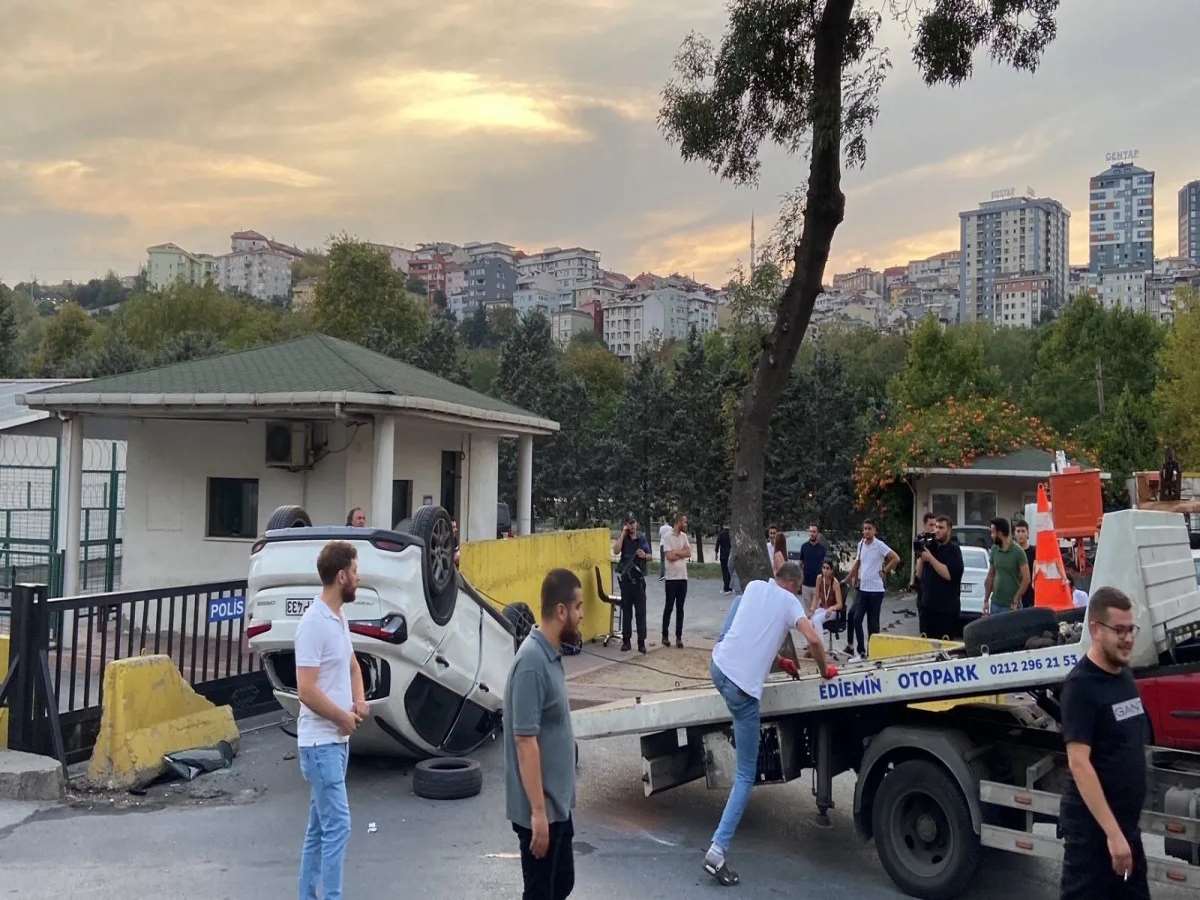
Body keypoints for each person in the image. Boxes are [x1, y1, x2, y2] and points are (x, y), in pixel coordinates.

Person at [703, 563, 836, 886]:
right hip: (743, 691)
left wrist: (778, 661)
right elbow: (813, 639)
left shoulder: (753, 588)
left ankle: (719, 847)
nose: (797, 596)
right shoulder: (790, 601)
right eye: (798, 590)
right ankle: (717, 851)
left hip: (718, 668)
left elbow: (752, 630)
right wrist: (824, 671)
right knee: (745, 775)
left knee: (735, 623)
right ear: (793, 584)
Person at [1059, 587, 1149, 900]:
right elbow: (1079, 764)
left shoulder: (1123, 676)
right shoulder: (1080, 686)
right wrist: (1113, 835)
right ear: (1096, 629)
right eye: (1119, 630)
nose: (1128, 638)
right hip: (1093, 835)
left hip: (1126, 829)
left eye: (1131, 629)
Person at [505, 568, 584, 900]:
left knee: (562, 884)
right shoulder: (532, 663)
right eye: (578, 607)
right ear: (561, 611)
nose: (582, 615)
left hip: (557, 806)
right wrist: (538, 814)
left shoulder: (551, 654)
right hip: (541, 812)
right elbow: (525, 742)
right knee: (541, 893)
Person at [294, 540, 367, 900]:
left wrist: (359, 700)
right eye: (355, 571)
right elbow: (306, 690)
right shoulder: (313, 624)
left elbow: (352, 665)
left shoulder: (338, 618)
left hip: (336, 742)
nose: (358, 577)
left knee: (319, 829)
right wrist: (342, 717)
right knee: (338, 825)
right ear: (341, 576)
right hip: (319, 744)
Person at [844, 519, 900, 661]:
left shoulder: (879, 545)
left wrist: (885, 570)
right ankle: (861, 652)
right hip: (863, 588)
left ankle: (873, 653)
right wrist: (850, 577)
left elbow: (895, 558)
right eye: (864, 529)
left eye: (869, 528)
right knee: (856, 618)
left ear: (874, 530)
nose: (866, 531)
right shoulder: (861, 544)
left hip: (876, 590)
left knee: (873, 623)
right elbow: (858, 562)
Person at [917, 515, 964, 639]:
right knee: (925, 645)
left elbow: (949, 575)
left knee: (945, 645)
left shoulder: (954, 550)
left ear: (949, 530)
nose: (937, 530)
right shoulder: (931, 547)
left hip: (946, 610)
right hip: (927, 608)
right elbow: (919, 574)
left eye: (941, 528)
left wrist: (931, 559)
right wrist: (921, 555)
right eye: (936, 527)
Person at [612, 515, 651, 653]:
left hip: (638, 582)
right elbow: (616, 550)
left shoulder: (642, 539)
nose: (632, 526)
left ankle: (641, 642)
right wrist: (623, 533)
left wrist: (644, 555)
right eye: (629, 523)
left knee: (641, 613)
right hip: (626, 582)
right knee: (627, 612)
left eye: (634, 523)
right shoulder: (624, 539)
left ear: (637, 524)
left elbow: (650, 556)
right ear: (626, 525)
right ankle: (626, 641)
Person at [984, 517, 1030, 617]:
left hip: (1011, 606)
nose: (991, 536)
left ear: (1000, 533)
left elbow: (1026, 579)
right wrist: (986, 600)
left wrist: (1016, 599)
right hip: (995, 603)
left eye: (993, 533)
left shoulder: (1018, 552)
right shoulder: (994, 549)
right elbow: (990, 575)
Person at [661, 513, 692, 647]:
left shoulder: (684, 537)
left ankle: (678, 637)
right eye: (684, 522)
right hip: (671, 578)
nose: (686, 524)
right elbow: (669, 556)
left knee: (680, 608)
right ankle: (665, 635)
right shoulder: (667, 537)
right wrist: (681, 552)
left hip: (682, 577)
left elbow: (689, 553)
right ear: (678, 522)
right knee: (669, 607)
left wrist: (677, 552)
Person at [798, 523, 828, 615]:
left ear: (817, 533)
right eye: (810, 531)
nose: (812, 534)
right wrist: (800, 581)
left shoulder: (822, 549)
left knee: (816, 612)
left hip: (818, 585)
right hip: (806, 584)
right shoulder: (804, 547)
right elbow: (801, 564)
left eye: (814, 532)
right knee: (807, 612)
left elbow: (825, 567)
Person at [809, 559, 843, 636]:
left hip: (833, 611)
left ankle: (820, 643)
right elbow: (816, 596)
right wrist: (812, 609)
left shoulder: (835, 583)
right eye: (823, 568)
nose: (825, 570)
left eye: (827, 568)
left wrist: (831, 608)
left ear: (831, 570)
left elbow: (840, 604)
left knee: (816, 619)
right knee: (810, 619)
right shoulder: (819, 578)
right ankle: (814, 641)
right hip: (823, 608)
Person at [912, 511, 937, 608]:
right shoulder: (919, 539)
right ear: (925, 525)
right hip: (923, 577)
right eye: (931, 525)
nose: (933, 528)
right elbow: (921, 554)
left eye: (935, 525)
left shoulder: (938, 538)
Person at [1014, 519, 1036, 608]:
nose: (1020, 534)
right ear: (1014, 534)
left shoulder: (1034, 552)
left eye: (1023, 531)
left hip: (1031, 595)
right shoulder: (1012, 552)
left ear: (1028, 534)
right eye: (1018, 531)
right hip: (1014, 594)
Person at [715, 525, 733, 595]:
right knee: (729, 572)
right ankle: (730, 588)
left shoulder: (721, 534)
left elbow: (717, 544)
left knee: (724, 572)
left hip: (723, 556)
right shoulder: (731, 534)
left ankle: (726, 588)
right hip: (730, 555)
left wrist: (716, 554)